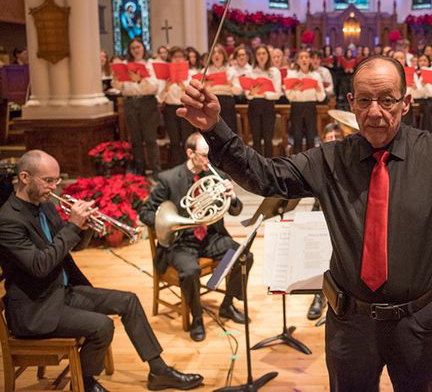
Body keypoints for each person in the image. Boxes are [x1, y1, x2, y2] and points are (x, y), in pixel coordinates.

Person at [178, 55, 432, 391]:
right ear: (350, 103)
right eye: (365, 101)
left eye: (387, 100)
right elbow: (266, 178)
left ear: (406, 102)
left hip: (417, 322)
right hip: (351, 323)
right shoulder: (330, 159)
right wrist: (215, 128)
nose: (376, 112)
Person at [0, 150, 204, 392]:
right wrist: (72, 225)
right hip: (36, 309)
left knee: (129, 301)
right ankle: (85, 383)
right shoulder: (8, 220)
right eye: (48, 181)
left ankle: (158, 371)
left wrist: (84, 227)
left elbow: (71, 248)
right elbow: (40, 265)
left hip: (61, 291)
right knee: (102, 326)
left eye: (56, 180)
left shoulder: (45, 206)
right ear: (25, 177)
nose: (54, 187)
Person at [139, 133, 250, 342]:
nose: (209, 161)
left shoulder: (218, 176)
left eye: (210, 156)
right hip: (181, 241)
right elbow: (145, 212)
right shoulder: (169, 179)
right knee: (191, 270)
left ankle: (226, 303)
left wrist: (232, 197)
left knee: (242, 255)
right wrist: (166, 220)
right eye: (204, 156)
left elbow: (235, 211)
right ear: (190, 153)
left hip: (210, 238)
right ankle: (197, 317)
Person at [306, 122, 345, 320]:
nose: (333, 142)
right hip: (323, 216)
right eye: (329, 139)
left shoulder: (350, 161)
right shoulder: (319, 163)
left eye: (337, 138)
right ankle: (318, 297)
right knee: (319, 256)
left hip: (345, 220)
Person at [111, 38, 160, 176]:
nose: (136, 50)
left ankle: (156, 170)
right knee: (136, 139)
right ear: (129, 51)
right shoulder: (125, 64)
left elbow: (155, 87)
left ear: (143, 48)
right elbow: (119, 87)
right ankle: (140, 170)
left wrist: (140, 80)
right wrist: (116, 79)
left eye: (138, 47)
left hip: (147, 101)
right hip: (130, 102)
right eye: (133, 48)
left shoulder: (150, 64)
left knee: (150, 139)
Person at [158, 47, 194, 167]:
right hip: (170, 109)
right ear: (171, 59)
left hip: (186, 109)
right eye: (175, 57)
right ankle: (176, 167)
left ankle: (188, 166)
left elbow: (195, 95)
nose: (178, 59)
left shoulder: (190, 75)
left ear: (185, 59)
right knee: (174, 141)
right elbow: (159, 98)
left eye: (180, 56)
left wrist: (184, 87)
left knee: (186, 140)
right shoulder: (165, 76)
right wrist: (166, 87)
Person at [285, 49, 325, 153]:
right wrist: (294, 90)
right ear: (297, 61)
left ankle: (310, 165)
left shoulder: (316, 75)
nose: (304, 59)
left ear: (310, 60)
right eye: (301, 57)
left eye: (306, 57)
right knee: (297, 137)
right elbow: (288, 96)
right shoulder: (292, 75)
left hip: (310, 106)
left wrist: (318, 90)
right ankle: (297, 165)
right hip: (296, 106)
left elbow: (321, 98)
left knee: (310, 137)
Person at [246, 45, 282, 157]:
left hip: (268, 106)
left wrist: (264, 93)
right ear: (255, 56)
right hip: (254, 106)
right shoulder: (250, 71)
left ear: (268, 55)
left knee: (268, 139)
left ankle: (268, 166)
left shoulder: (274, 71)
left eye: (264, 53)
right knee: (256, 139)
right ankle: (257, 167)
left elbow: (277, 94)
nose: (261, 56)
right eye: (259, 54)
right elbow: (247, 94)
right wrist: (251, 93)